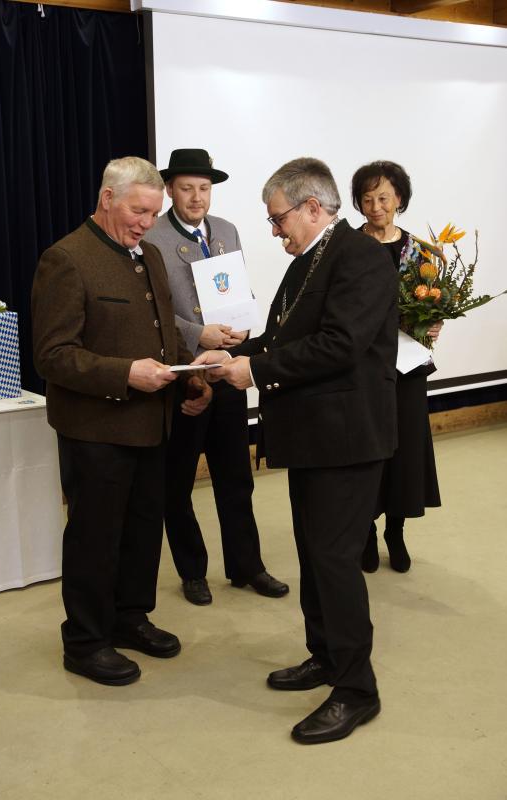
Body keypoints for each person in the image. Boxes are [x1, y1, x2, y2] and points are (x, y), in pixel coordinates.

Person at [195, 157, 398, 744]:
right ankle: (326, 655)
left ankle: (357, 689)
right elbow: (286, 338)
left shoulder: (360, 258)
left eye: (278, 218)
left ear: (312, 207)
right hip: (314, 436)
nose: (274, 230)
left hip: (347, 437)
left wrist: (254, 371)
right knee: (313, 552)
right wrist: (235, 354)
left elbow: (339, 345)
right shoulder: (310, 259)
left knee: (334, 559)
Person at [32, 156, 211, 686]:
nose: (147, 223)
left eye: (154, 213)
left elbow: (163, 334)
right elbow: (52, 356)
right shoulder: (66, 259)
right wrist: (125, 374)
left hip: (152, 426)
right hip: (95, 431)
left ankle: (130, 618)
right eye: (139, 211)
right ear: (107, 198)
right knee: (95, 538)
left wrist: (191, 374)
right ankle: (86, 641)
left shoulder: (149, 255)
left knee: (141, 532)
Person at [145, 148, 288, 606]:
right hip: (185, 373)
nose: (197, 197)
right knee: (178, 481)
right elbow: (153, 309)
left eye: (204, 188)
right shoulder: (152, 236)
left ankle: (247, 566)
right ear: (170, 190)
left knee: (236, 476)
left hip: (228, 369)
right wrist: (196, 334)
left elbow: (238, 290)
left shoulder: (226, 230)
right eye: (187, 188)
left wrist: (245, 326)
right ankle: (192, 571)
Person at [351, 160, 442, 573]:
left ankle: (396, 530)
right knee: (367, 449)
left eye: (383, 198)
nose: (375, 207)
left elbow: (433, 303)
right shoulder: (349, 248)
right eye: (367, 199)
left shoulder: (421, 252)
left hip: (408, 369)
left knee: (405, 450)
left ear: (399, 199)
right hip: (363, 368)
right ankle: (366, 531)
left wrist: (434, 322)